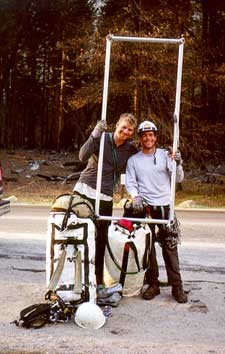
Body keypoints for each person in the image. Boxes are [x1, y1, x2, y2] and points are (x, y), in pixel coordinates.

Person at [73, 113, 138, 292]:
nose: (125, 132)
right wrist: (95, 133)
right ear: (117, 124)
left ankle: (98, 280)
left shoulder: (129, 149)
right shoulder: (102, 138)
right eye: (123, 127)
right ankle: (76, 277)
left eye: (129, 130)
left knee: (101, 239)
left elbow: (143, 160)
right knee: (79, 235)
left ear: (132, 133)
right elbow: (82, 156)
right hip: (85, 190)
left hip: (105, 197)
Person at [125, 120, 188, 303]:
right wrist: (135, 197)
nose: (148, 138)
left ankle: (177, 286)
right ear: (140, 138)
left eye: (151, 135)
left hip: (165, 207)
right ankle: (153, 284)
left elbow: (178, 178)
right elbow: (131, 182)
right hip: (147, 209)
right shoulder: (134, 160)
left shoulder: (165, 155)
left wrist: (178, 163)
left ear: (155, 137)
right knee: (148, 248)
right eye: (144, 135)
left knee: (170, 247)